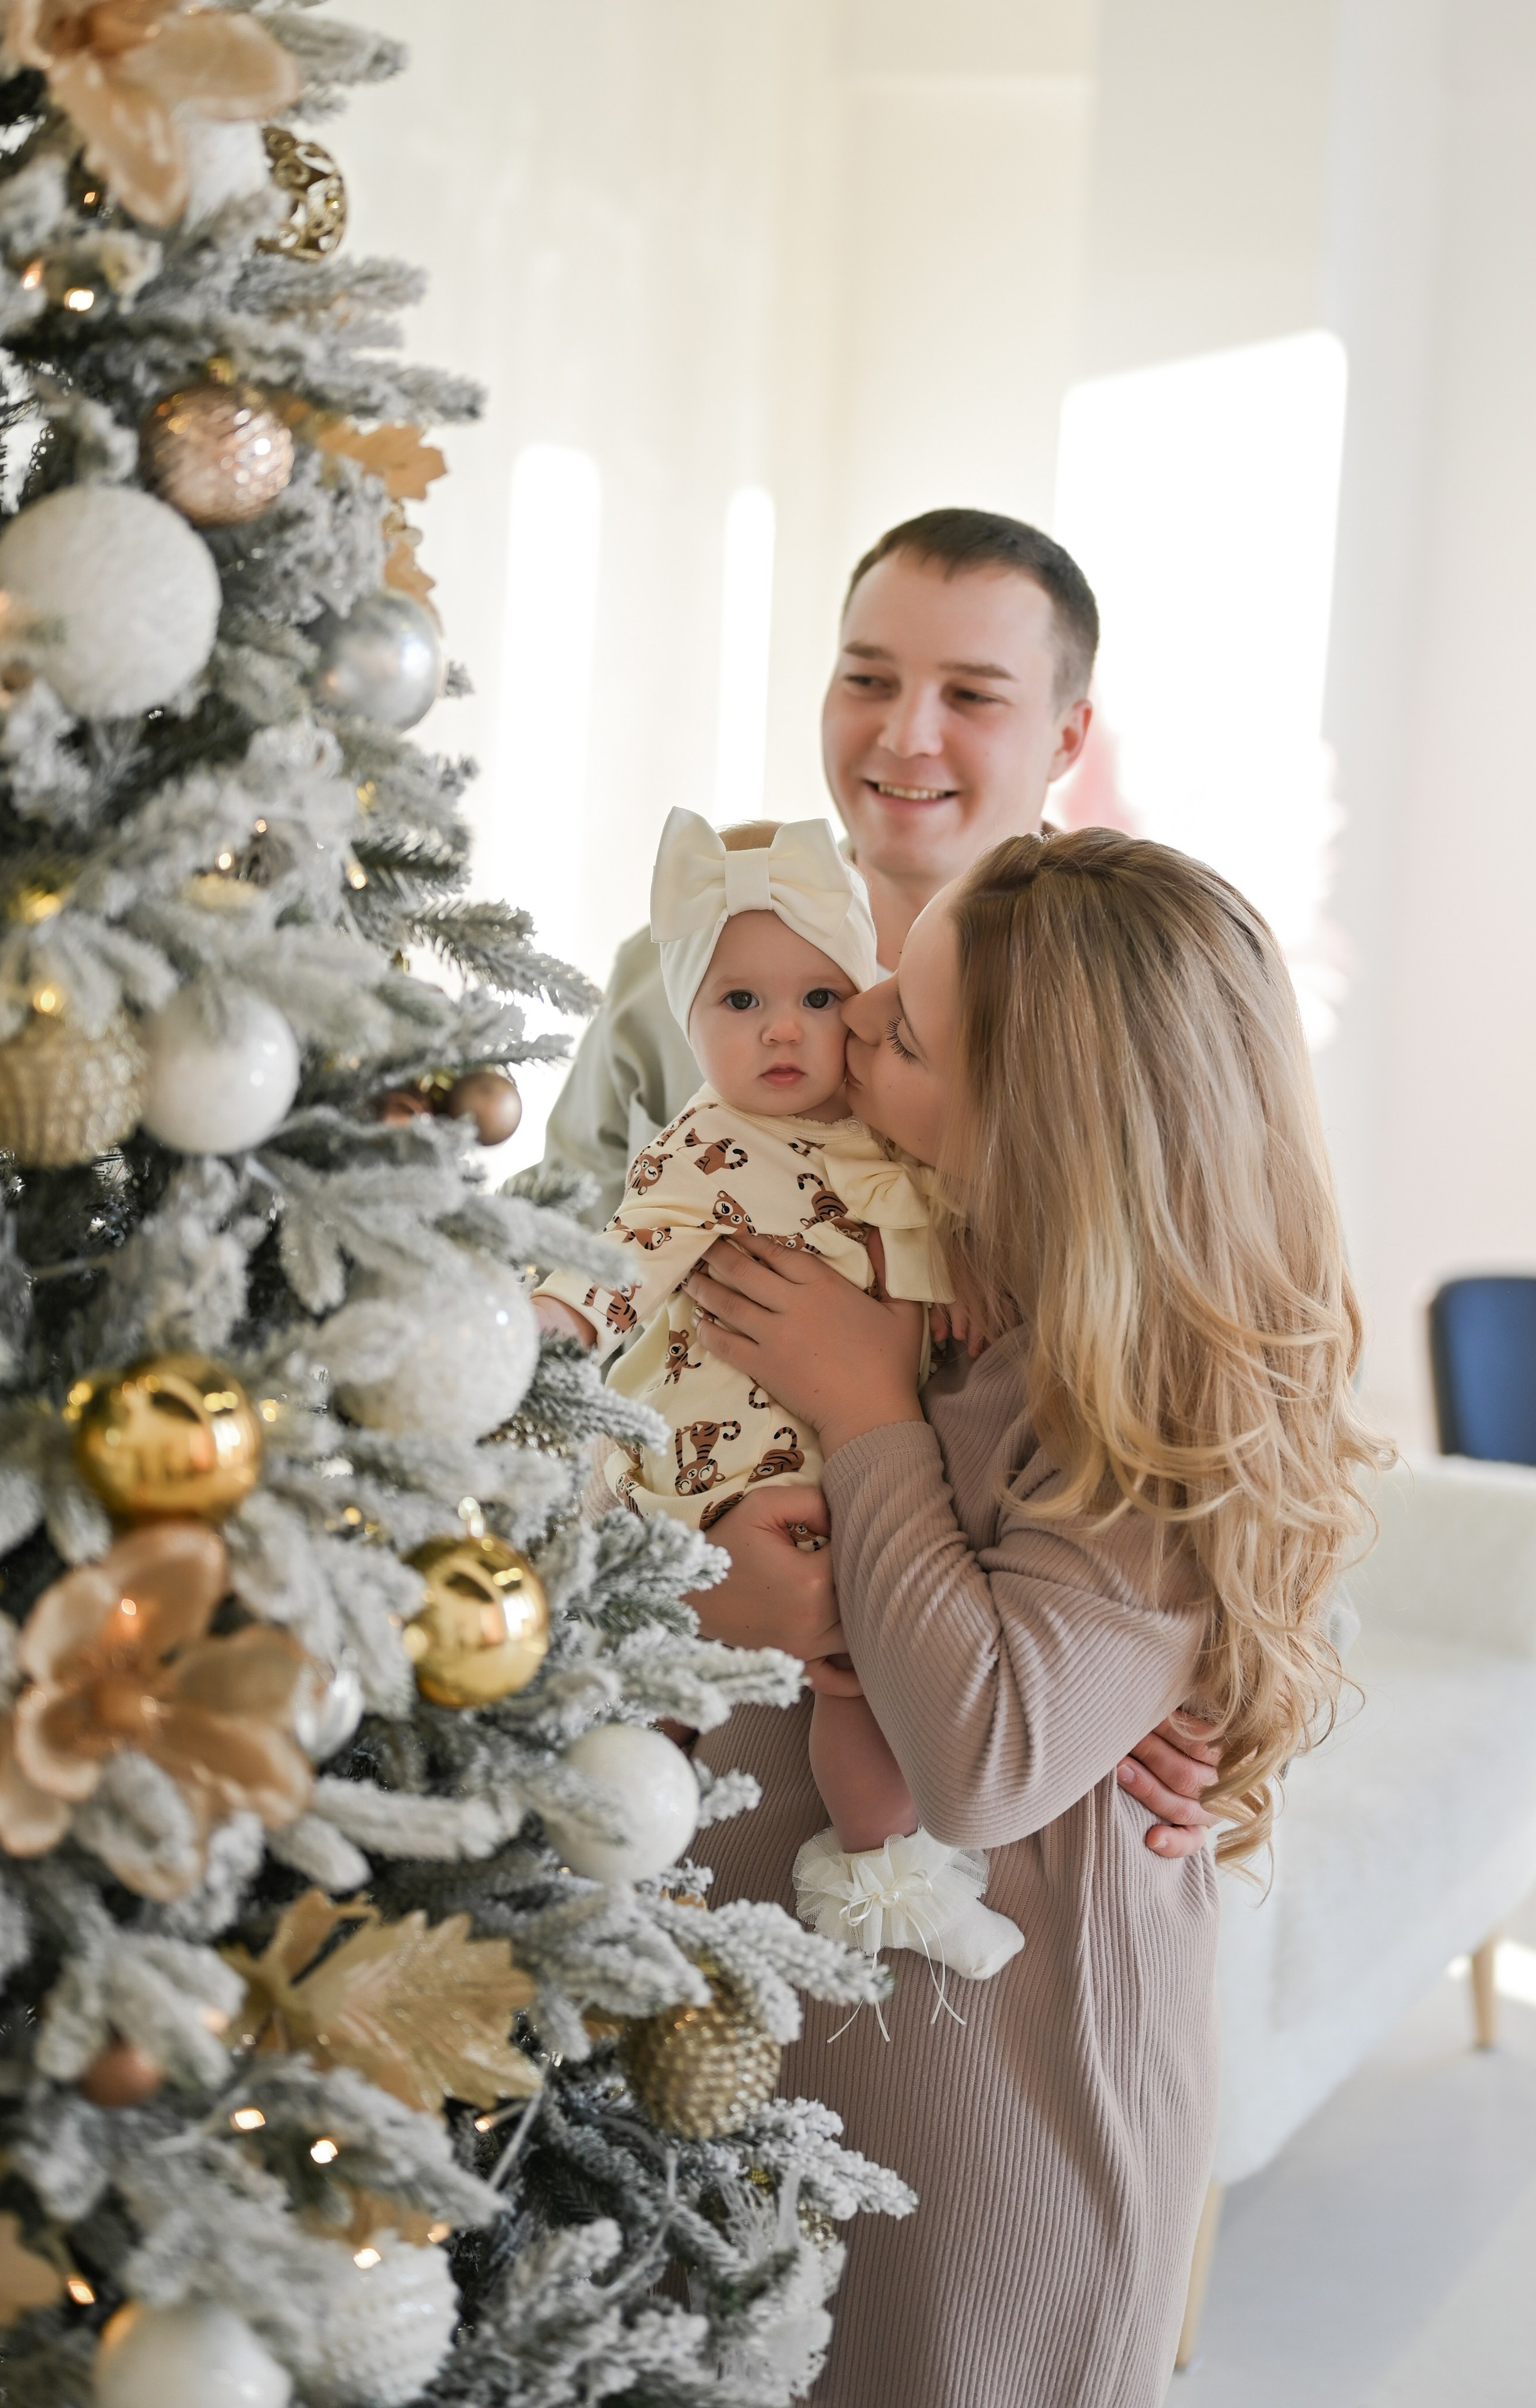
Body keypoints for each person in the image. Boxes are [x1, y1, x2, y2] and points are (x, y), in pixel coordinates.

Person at [677, 828, 1386, 2407]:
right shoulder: (907, 1252)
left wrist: (861, 1409)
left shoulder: (1132, 1410)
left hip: (997, 2124)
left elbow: (984, 1754)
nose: (852, 1016)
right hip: (778, 2065)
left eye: (903, 1031)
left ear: (1037, 1136)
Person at [535, 807, 1022, 1982]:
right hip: (705, 1469)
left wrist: (957, 1275)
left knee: (861, 1702)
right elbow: (624, 1256)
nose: (785, 1032)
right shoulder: (701, 1150)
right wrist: (546, 1322)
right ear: (687, 1020)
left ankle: (887, 1879)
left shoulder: (894, 1130)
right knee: (653, 1711)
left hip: (852, 1479)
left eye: (817, 996)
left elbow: (944, 1212)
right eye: (739, 1004)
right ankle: (599, 1880)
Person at [538, 507, 1096, 1227]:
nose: (905, 736)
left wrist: (886, 1347)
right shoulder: (671, 961)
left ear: (1066, 737)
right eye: (868, 680)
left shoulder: (1126, 1000)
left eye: (972, 696)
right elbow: (547, 1241)